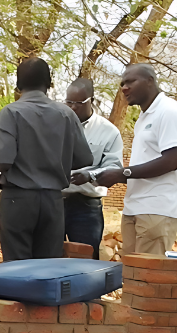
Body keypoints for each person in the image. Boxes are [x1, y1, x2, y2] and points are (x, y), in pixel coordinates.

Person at [0, 57, 93, 261]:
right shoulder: (66, 114)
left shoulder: (11, 112)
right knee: (47, 265)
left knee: (16, 266)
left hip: (18, 199)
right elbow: (84, 158)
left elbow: (3, 162)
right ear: (49, 83)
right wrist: (56, 160)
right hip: (53, 201)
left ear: (18, 83)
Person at [95, 64, 177, 256]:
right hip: (135, 207)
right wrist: (114, 176)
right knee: (131, 270)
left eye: (130, 82)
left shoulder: (169, 111)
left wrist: (122, 174)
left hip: (158, 209)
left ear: (150, 81)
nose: (124, 88)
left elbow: (171, 161)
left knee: (148, 271)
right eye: (122, 84)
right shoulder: (144, 116)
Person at [62, 78, 124, 260]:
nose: (73, 107)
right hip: (54, 202)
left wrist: (90, 175)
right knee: (50, 257)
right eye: (69, 102)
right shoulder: (55, 125)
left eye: (79, 103)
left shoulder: (109, 131)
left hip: (86, 207)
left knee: (86, 259)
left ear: (92, 101)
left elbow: (114, 166)